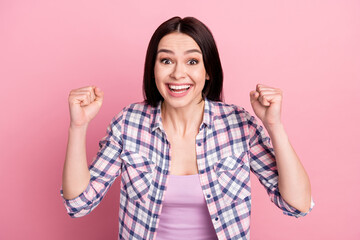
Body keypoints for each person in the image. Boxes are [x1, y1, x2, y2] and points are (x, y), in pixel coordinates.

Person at [61, 16, 314, 240]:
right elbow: (79, 203)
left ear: (208, 72)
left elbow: (297, 204)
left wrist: (274, 126)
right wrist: (78, 126)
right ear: (153, 69)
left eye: (192, 61)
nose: (178, 73)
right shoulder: (129, 124)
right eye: (166, 60)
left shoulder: (239, 125)